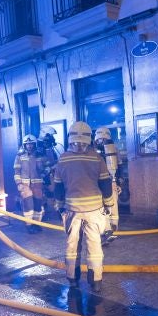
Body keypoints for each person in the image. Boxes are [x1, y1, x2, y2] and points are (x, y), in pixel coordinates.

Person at [53, 121, 115, 292]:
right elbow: (105, 184)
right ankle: (96, 281)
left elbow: (58, 186)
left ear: (70, 138)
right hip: (94, 210)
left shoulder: (63, 158)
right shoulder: (96, 158)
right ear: (89, 139)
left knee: (72, 246)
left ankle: (72, 278)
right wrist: (109, 205)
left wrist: (59, 206)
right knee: (94, 246)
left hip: (72, 209)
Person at [13, 134, 48, 233]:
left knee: (38, 204)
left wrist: (45, 173)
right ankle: (29, 225)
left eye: (31, 144)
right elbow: (17, 171)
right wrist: (19, 183)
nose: (29, 146)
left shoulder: (40, 155)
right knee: (28, 205)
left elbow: (48, 166)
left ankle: (37, 224)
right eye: (27, 144)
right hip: (25, 185)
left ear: (34, 144)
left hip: (37, 184)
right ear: (24, 145)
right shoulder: (19, 156)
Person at [94, 126, 120, 243]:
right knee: (103, 209)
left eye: (104, 139)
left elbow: (118, 166)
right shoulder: (92, 153)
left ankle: (111, 231)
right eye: (100, 139)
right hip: (99, 184)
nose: (102, 141)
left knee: (112, 208)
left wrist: (118, 182)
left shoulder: (113, 150)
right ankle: (105, 233)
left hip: (110, 182)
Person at [39, 124, 64, 217]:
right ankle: (43, 215)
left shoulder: (50, 148)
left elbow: (54, 160)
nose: (53, 139)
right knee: (44, 196)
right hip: (44, 177)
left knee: (54, 194)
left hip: (52, 175)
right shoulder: (39, 149)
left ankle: (58, 213)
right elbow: (40, 164)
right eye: (51, 136)